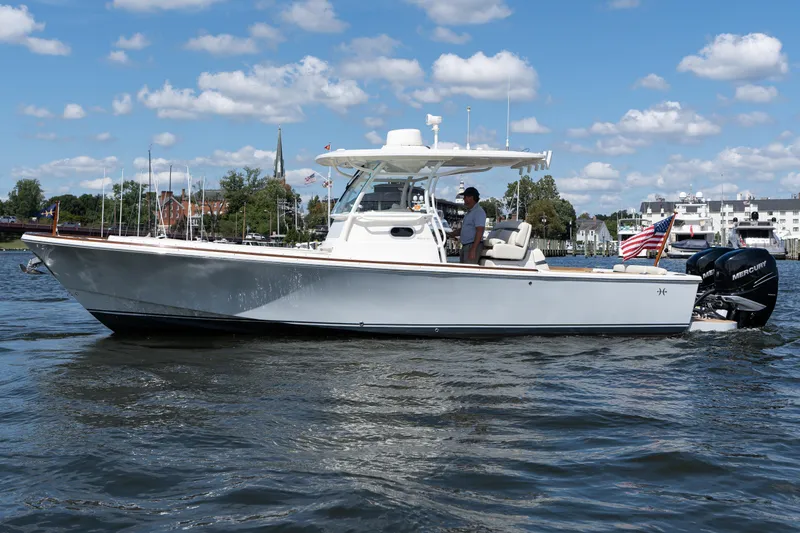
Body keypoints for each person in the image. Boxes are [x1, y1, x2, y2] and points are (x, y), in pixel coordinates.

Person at [458, 186, 486, 264]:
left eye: (465, 196)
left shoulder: (478, 212)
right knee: (462, 271)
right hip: (466, 246)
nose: (463, 199)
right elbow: (465, 228)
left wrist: (473, 249)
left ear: (471, 197)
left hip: (472, 246)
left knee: (467, 271)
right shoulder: (470, 212)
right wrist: (451, 233)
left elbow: (480, 230)